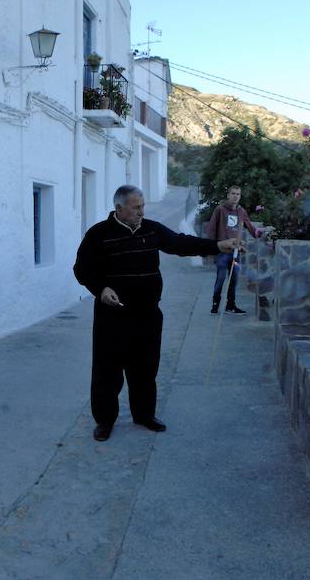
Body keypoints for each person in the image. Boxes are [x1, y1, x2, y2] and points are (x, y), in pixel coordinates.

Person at [74, 185, 239, 442]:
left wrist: (218, 245)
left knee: (145, 369)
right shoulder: (98, 234)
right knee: (108, 372)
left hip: (148, 314)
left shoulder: (151, 229)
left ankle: (144, 415)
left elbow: (180, 243)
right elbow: (82, 269)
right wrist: (101, 288)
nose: (141, 212)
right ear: (119, 208)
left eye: (142, 206)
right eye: (136, 207)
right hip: (112, 317)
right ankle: (105, 420)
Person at [206, 185, 260, 315]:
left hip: (235, 252)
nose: (236, 196)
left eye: (238, 194)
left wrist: (262, 234)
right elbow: (211, 229)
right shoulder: (220, 209)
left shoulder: (241, 212)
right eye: (233, 193)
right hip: (222, 252)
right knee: (221, 278)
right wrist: (212, 247)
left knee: (234, 279)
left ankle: (230, 305)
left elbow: (251, 227)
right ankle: (215, 305)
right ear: (228, 195)